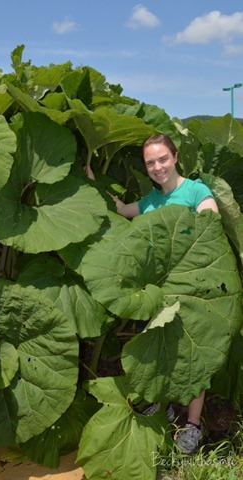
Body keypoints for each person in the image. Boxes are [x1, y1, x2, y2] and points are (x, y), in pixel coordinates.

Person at [108, 133, 219, 454]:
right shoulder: (150, 201)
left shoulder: (195, 190)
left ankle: (193, 425)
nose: (158, 167)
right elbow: (122, 210)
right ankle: (164, 405)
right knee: (158, 351)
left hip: (190, 290)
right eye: (150, 163)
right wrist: (94, 184)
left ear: (175, 157)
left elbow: (209, 220)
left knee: (193, 356)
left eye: (162, 159)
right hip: (156, 291)